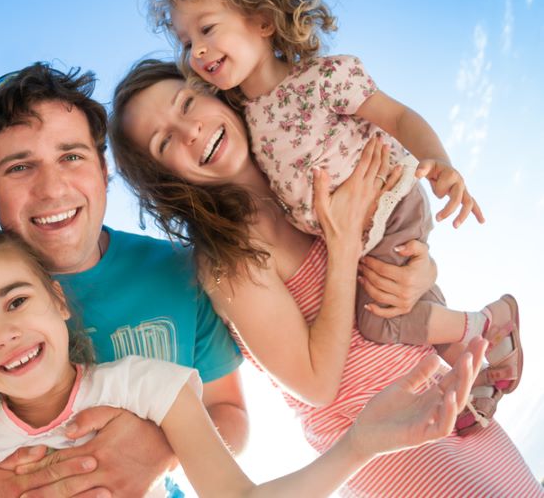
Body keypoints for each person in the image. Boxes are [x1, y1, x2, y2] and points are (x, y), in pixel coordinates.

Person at [110, 58, 544, 496]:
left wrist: (421, 269)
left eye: (187, 103)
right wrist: (341, 248)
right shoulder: (229, 258)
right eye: (164, 142)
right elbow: (317, 383)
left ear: (215, 94)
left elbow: (395, 247)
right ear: (165, 180)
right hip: (386, 441)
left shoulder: (307, 172)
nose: (191, 132)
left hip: (450, 395)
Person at [146, 0, 522, 434]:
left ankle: (490, 325)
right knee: (408, 305)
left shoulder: (324, 79)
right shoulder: (242, 115)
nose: (196, 51)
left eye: (207, 29)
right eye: (186, 41)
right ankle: (473, 386)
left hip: (388, 204)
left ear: (262, 21)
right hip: (353, 233)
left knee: (381, 321)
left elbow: (399, 116)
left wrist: (442, 164)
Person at [0, 225, 486, 498]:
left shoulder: (148, 386)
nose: (5, 333)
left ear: (59, 302)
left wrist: (359, 444)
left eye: (16, 300)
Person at [0, 63, 248, 497]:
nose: (52, 188)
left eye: (71, 156)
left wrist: (163, 448)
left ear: (104, 169)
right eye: (19, 168)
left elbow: (227, 409)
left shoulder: (177, 272)